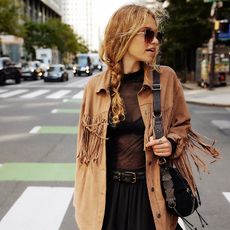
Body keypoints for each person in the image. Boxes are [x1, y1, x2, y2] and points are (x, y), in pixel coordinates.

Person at [73, 4, 220, 230]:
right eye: (148, 34)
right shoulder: (95, 87)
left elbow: (182, 125)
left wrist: (170, 142)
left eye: (157, 35)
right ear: (124, 34)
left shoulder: (165, 78)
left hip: (150, 194)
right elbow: (84, 154)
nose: (155, 41)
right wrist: (82, 201)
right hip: (108, 196)